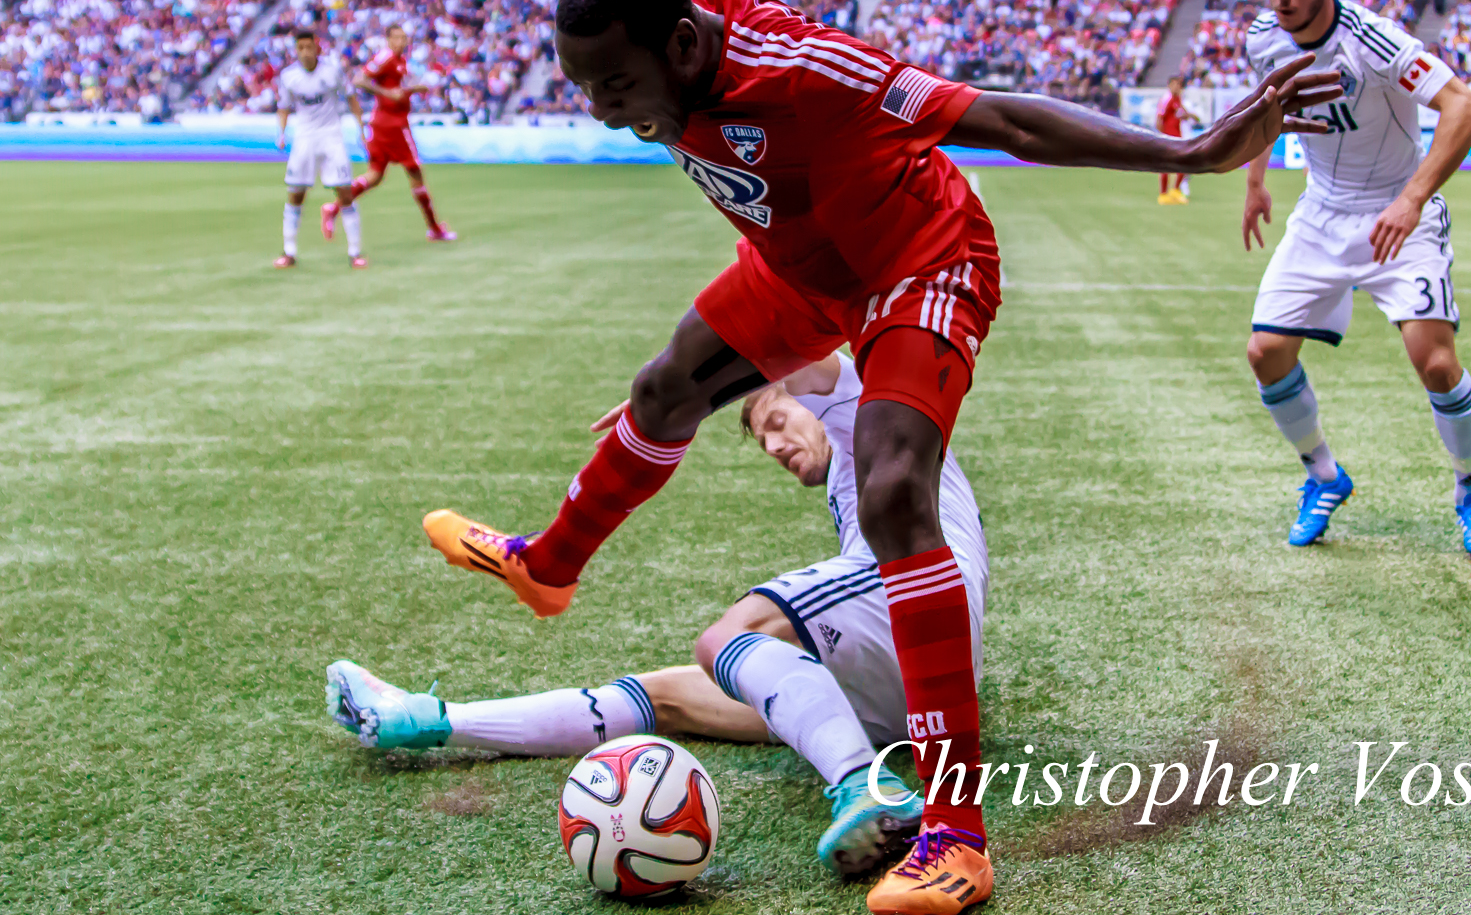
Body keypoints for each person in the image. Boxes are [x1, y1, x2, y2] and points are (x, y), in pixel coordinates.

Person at [409, 0, 1339, 911]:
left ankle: (953, 832)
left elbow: (1001, 117)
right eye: (585, 89)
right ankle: (552, 563)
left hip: (921, 257)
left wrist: (1191, 144)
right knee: (664, 385)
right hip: (802, 259)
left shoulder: (808, 71)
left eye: (617, 86)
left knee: (896, 483)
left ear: (682, 47)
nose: (607, 109)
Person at [331, 352, 986, 877]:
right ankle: (424, 721)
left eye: (778, 423)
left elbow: (789, 352)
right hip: (907, 686)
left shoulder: (855, 395)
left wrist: (680, 398)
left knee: (731, 638)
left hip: (917, 588)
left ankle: (863, 790)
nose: (777, 447)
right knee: (662, 696)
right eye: (763, 443)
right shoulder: (862, 467)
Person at [1241, 0, 1471, 559]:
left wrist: (1413, 199)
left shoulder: (1375, 39)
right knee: (1265, 353)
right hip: (1321, 212)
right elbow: (1268, 108)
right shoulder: (1261, 37)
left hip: (1397, 211)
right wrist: (1254, 182)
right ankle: (1323, 476)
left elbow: (1466, 107)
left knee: (1435, 363)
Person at [325, 24, 457, 243]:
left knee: (375, 176)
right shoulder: (385, 57)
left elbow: (397, 89)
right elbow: (359, 79)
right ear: (388, 39)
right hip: (394, 125)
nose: (402, 42)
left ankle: (333, 208)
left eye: (404, 38)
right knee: (415, 172)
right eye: (397, 38)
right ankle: (434, 229)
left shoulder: (400, 62)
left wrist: (414, 89)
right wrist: (386, 92)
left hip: (382, 123)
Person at [275, 30, 365, 269]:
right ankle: (289, 251)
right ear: (296, 51)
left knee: (345, 192)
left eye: (308, 47)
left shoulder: (332, 70)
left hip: (331, 136)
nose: (305, 52)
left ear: (317, 48)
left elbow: (351, 97)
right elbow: (283, 107)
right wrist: (281, 133)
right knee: (296, 193)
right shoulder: (288, 76)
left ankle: (355, 252)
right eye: (300, 48)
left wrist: (361, 128)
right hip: (304, 137)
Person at [1156, 76, 1202, 203]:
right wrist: (1162, 136)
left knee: (1182, 163)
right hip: (1168, 136)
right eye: (1175, 84)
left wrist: (1187, 114)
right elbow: (1159, 119)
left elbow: (1184, 113)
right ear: (1169, 85)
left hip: (1178, 135)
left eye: (1179, 85)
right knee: (1167, 165)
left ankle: (1175, 190)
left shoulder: (1177, 99)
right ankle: (1163, 194)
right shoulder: (1167, 99)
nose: (1177, 87)